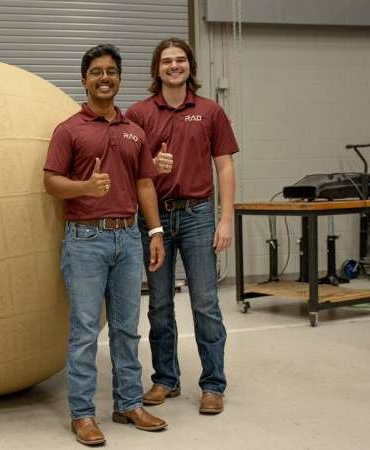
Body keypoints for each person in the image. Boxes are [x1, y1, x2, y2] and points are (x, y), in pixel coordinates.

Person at [43, 44, 168, 446]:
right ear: (84, 80)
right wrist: (85, 187)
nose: (104, 78)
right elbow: (50, 182)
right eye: (96, 72)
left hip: (128, 239)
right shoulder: (69, 130)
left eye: (111, 71)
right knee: (84, 331)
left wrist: (155, 231)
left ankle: (128, 404)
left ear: (119, 78)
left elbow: (145, 183)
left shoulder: (134, 131)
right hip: (85, 240)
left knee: (127, 330)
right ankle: (82, 415)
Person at [125, 37, 238, 415]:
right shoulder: (138, 114)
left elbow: (224, 166)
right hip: (154, 218)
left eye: (180, 60)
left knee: (205, 303)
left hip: (197, 216)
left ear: (190, 66)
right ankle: (165, 380)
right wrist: (151, 166)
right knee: (159, 304)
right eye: (166, 61)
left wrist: (225, 219)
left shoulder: (210, 111)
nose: (174, 66)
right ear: (156, 70)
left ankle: (213, 385)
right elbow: (128, 169)